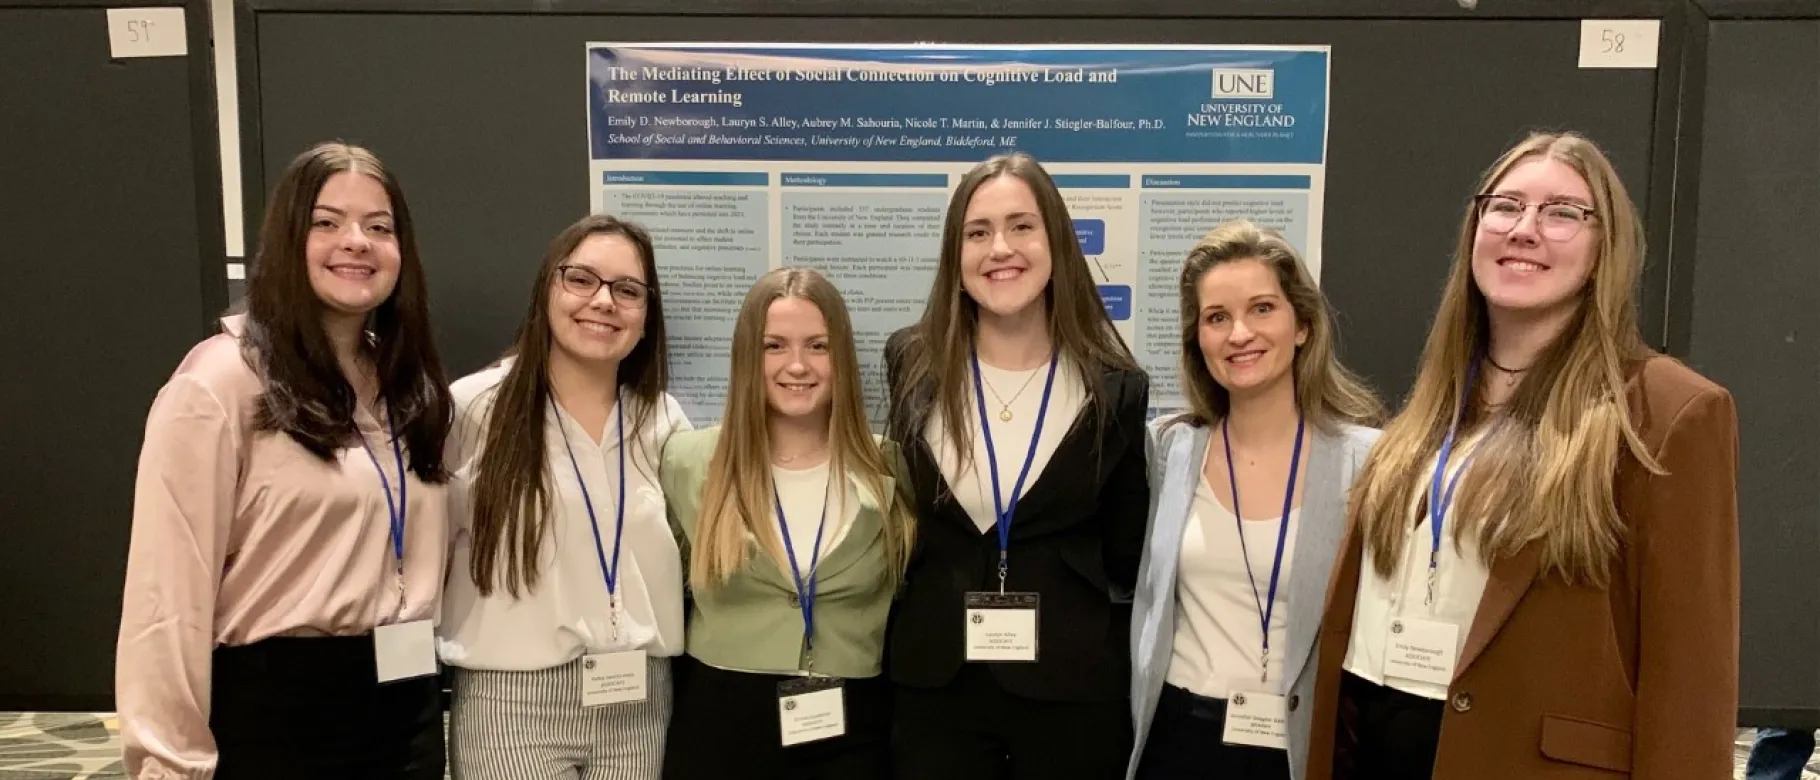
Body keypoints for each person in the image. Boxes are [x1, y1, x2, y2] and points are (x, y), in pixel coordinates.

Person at [1302, 130, 1741, 779]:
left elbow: (1690, 679)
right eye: (1505, 207)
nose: (1524, 229)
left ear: (1605, 248)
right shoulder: (1429, 409)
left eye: (1562, 213)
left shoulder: (1666, 412)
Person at [116, 141, 454, 779]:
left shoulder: (407, 387)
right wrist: (169, 761)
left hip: (404, 710)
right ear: (285, 239)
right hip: (278, 718)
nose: (356, 241)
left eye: (379, 227)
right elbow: (167, 600)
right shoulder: (220, 383)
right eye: (327, 222)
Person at [884, 151, 1151, 780]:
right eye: (978, 232)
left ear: (1055, 240)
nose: (1000, 248)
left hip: (1070, 686)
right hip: (935, 683)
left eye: (1021, 226)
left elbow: (1125, 551)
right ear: (956, 255)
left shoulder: (1115, 388)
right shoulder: (911, 364)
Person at [1128, 220, 1385, 780]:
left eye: (1262, 308)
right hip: (1176, 737)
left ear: (1302, 325)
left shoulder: (1366, 462)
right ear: (1198, 339)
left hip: (1295, 743)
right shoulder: (1169, 450)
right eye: (1217, 317)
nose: (1239, 333)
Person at [438, 214, 690, 779]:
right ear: (547, 289)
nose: (603, 301)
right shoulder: (475, 408)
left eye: (627, 290)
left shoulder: (662, 420)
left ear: (646, 316)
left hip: (638, 702)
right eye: (581, 279)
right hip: (514, 703)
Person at [659, 267, 916, 780]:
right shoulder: (687, 463)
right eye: (773, 346)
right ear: (746, 357)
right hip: (720, 726)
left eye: (818, 346)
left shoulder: (889, 465)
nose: (797, 365)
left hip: (853, 728)